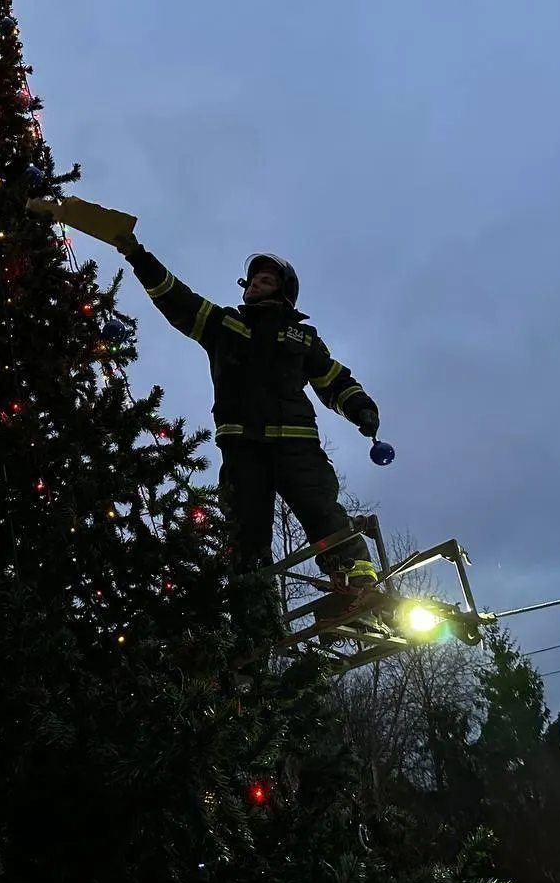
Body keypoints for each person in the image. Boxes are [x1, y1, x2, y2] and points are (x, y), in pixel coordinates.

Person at [113, 233, 381, 624]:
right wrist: (137, 255)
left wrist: (361, 407)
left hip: (297, 443)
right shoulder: (225, 325)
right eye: (253, 280)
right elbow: (175, 299)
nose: (255, 284)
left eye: (266, 280)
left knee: (322, 511)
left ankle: (358, 589)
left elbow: (333, 379)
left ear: (285, 293)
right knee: (245, 533)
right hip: (243, 448)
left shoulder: (302, 336)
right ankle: (254, 618)